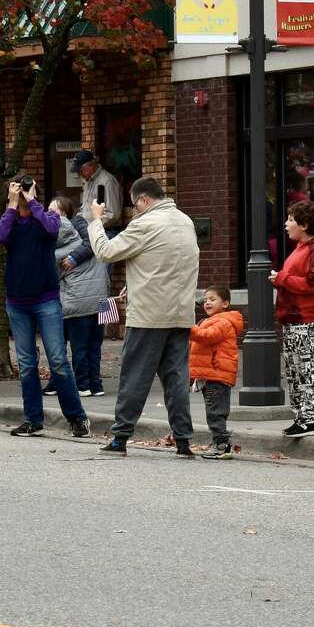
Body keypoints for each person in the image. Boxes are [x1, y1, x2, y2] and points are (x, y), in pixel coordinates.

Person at [90, 177, 199, 457]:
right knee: (176, 379)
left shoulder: (145, 223)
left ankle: (120, 437)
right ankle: (184, 440)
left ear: (144, 200)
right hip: (180, 313)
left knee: (135, 377)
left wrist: (95, 221)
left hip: (149, 316)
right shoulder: (185, 221)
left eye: (135, 205)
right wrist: (135, 281)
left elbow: (105, 252)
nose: (134, 211)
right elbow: (164, 263)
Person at [0, 176, 90, 439]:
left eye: (26, 190)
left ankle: (77, 418)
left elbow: (51, 230)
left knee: (58, 360)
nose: (23, 195)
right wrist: (12, 206)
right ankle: (32, 419)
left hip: (45, 299)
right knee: (26, 364)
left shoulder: (46, 218)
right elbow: (0, 237)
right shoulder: (10, 220)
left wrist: (34, 201)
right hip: (17, 302)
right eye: (18, 191)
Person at [270, 200, 314, 438]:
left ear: (304, 225)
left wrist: (281, 278)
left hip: (308, 318)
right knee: (295, 369)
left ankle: (312, 418)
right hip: (294, 318)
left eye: (290, 219)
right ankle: (301, 416)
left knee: (309, 368)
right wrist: (283, 278)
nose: (286, 224)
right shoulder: (301, 249)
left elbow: (312, 282)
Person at [51, 195, 109, 398]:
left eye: (53, 211)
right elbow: (97, 246)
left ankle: (82, 385)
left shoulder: (59, 249)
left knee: (79, 346)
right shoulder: (90, 234)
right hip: (103, 299)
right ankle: (97, 384)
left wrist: (73, 259)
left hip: (78, 301)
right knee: (96, 344)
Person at [188, 286, 243, 460]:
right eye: (205, 300)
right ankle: (220, 442)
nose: (207, 303)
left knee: (215, 412)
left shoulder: (223, 322)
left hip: (217, 375)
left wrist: (189, 328)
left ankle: (222, 444)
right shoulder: (212, 320)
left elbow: (207, 336)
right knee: (214, 410)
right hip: (210, 374)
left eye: (212, 299)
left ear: (225, 303)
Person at [70, 150, 123, 230]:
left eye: (80, 170)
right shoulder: (88, 181)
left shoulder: (106, 182)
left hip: (106, 232)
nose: (79, 174)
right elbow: (86, 210)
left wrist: (92, 227)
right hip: (91, 230)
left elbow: (113, 214)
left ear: (90, 165)